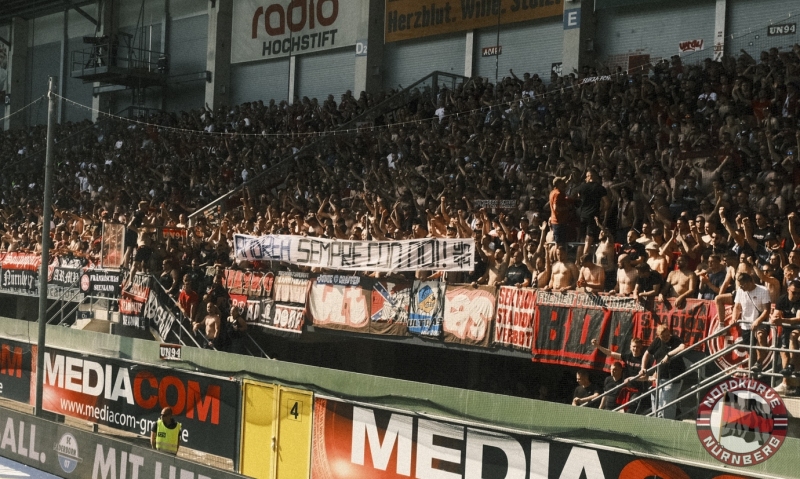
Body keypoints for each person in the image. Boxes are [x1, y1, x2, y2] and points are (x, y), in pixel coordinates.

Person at [640, 324, 686, 419]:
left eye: (667, 335)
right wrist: (643, 368)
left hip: (673, 377)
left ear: (669, 332)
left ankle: (667, 427)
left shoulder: (675, 340)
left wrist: (668, 355)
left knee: (666, 404)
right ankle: (658, 427)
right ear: (658, 336)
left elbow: (682, 347)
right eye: (663, 336)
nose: (666, 338)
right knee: (658, 404)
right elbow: (646, 354)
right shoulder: (657, 341)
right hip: (660, 377)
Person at [731, 272, 771, 370]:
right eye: (739, 285)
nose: (741, 287)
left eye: (743, 284)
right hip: (746, 324)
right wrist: (734, 317)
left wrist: (758, 321)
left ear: (750, 282)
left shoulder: (763, 290)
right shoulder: (740, 291)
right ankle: (753, 372)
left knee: (761, 337)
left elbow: (767, 310)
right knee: (750, 349)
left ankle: (759, 362)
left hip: (761, 321)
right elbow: (737, 306)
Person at [770, 280, 800, 394]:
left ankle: (792, 367)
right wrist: (774, 318)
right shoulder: (782, 299)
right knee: (783, 353)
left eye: (799, 293)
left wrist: (782, 320)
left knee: (794, 337)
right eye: (794, 292)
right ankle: (785, 383)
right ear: (788, 290)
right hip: (786, 329)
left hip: (797, 329)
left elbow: (798, 319)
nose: (797, 295)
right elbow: (776, 315)